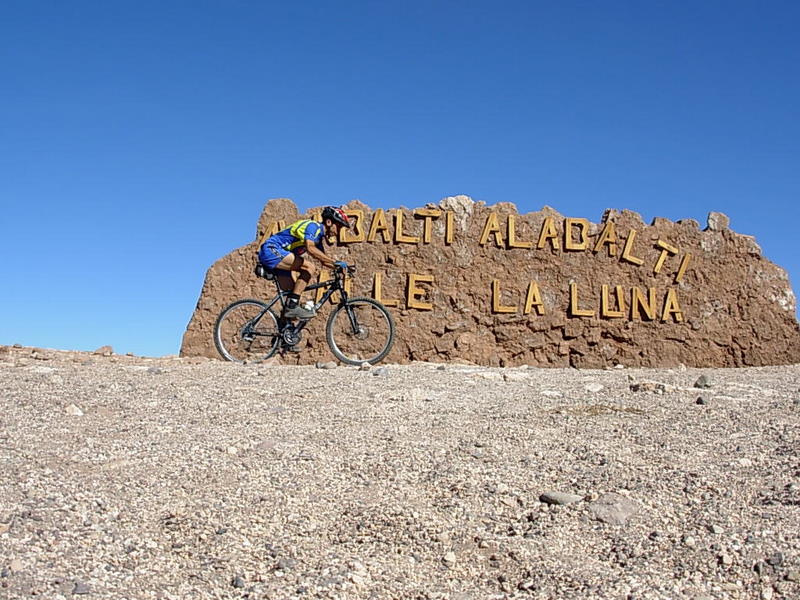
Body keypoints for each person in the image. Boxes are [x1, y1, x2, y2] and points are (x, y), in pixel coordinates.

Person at [258, 206, 351, 319]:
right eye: (339, 226)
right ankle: (291, 307)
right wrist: (334, 262)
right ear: (329, 222)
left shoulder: (318, 238)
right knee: (309, 267)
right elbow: (310, 248)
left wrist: (340, 267)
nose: (338, 232)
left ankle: (284, 332)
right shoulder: (313, 227)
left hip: (281, 255)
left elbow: (323, 260)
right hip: (271, 249)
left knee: (292, 294)